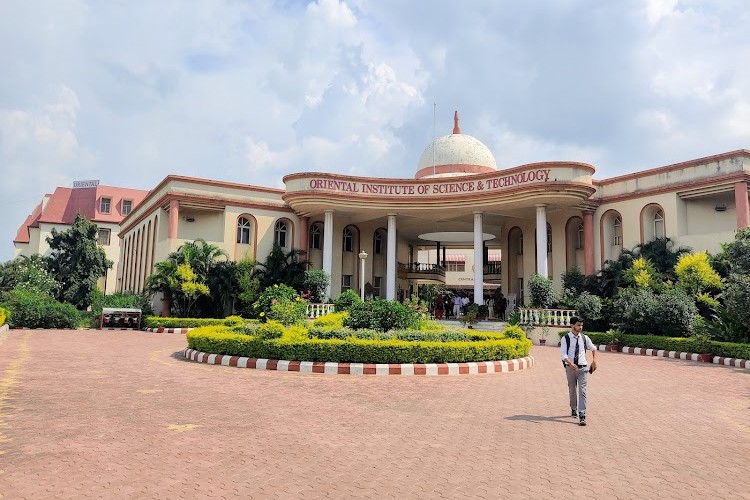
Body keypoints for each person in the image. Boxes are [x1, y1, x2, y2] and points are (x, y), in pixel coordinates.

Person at [560, 316, 598, 426]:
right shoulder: (565, 338)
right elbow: (563, 355)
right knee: (572, 389)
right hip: (570, 368)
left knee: (582, 390)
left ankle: (582, 414)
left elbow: (594, 348)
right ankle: (573, 408)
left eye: (581, 325)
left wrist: (594, 361)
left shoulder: (585, 338)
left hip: (583, 368)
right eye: (578, 325)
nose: (580, 327)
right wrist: (571, 364)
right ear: (572, 325)